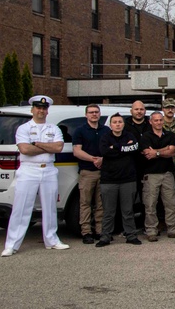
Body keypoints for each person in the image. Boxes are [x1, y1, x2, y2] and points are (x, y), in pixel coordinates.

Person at [1, 95, 70, 256]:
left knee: (50, 208)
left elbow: (58, 147)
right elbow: (25, 150)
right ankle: (12, 244)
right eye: (38, 108)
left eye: (44, 108)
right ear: (32, 109)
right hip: (28, 170)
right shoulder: (23, 128)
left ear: (47, 111)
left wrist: (37, 144)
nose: (41, 111)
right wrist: (48, 147)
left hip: (49, 170)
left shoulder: (54, 129)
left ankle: (52, 240)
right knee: (21, 208)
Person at [96, 113, 142, 247]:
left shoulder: (130, 136)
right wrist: (123, 148)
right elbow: (105, 151)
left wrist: (115, 147)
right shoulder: (105, 137)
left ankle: (131, 235)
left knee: (128, 210)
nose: (117, 124)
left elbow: (134, 148)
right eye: (114, 122)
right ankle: (105, 236)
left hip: (128, 179)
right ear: (110, 125)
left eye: (120, 122)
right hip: (109, 180)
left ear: (123, 124)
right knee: (109, 211)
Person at [139, 111, 175, 242]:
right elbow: (147, 153)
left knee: (171, 203)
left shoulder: (170, 135)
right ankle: (151, 230)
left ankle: (172, 229)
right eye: (155, 120)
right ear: (150, 122)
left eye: (160, 120)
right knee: (150, 204)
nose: (158, 122)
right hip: (151, 175)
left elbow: (172, 151)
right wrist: (164, 149)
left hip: (167, 173)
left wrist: (156, 152)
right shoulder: (145, 136)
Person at [71, 104, 108, 244]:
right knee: (85, 203)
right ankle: (86, 232)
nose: (94, 114)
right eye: (91, 112)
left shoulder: (106, 130)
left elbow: (111, 147)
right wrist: (94, 159)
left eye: (96, 112)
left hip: (104, 172)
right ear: (86, 115)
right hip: (87, 172)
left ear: (99, 114)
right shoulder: (80, 131)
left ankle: (99, 231)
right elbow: (77, 151)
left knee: (101, 204)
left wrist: (103, 159)